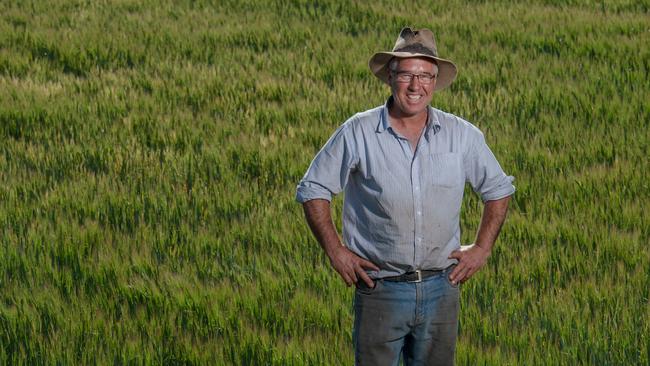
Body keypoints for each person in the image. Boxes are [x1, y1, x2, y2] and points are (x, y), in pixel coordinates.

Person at [295, 27, 515, 365]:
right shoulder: (359, 132)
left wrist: (483, 248)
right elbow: (313, 189)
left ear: (435, 81)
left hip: (442, 288)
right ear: (390, 77)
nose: (416, 86)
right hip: (380, 290)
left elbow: (498, 190)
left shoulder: (462, 135)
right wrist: (336, 251)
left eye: (425, 75)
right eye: (407, 75)